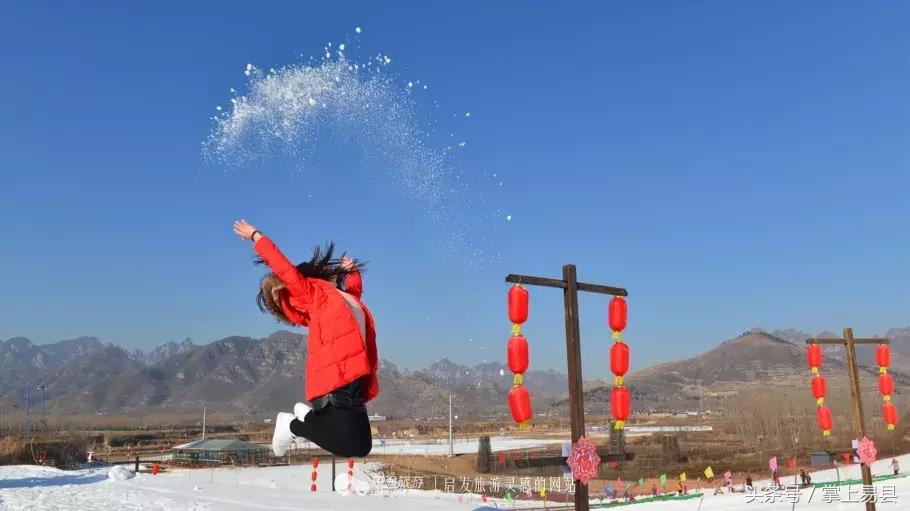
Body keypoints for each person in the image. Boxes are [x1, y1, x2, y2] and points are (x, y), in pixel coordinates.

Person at [233, 220, 378, 459]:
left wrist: (353, 272)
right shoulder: (314, 294)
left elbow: (354, 296)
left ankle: (306, 417)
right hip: (334, 383)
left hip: (355, 379)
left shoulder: (340, 298)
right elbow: (285, 269)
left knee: (362, 446)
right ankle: (291, 425)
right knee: (350, 446)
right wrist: (256, 236)